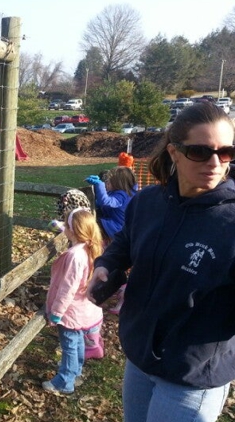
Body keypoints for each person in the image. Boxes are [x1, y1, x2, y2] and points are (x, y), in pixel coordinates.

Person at [87, 102, 235, 422]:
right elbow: (125, 242)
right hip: (140, 359)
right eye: (200, 151)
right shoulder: (148, 202)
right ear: (174, 152)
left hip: (190, 377)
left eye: (226, 152)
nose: (215, 162)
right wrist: (106, 265)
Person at [42, 207, 104, 395]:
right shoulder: (91, 248)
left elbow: (66, 289)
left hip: (70, 312)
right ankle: (76, 372)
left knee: (69, 346)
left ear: (72, 231)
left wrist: (56, 313)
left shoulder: (74, 256)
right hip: (85, 311)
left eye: (66, 225)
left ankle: (64, 382)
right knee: (78, 343)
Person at [86, 166, 138, 314]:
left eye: (108, 181)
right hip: (113, 227)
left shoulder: (122, 195)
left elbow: (107, 202)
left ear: (117, 182)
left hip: (115, 229)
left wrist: (99, 186)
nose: (106, 183)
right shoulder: (124, 192)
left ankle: (113, 287)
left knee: (99, 243)